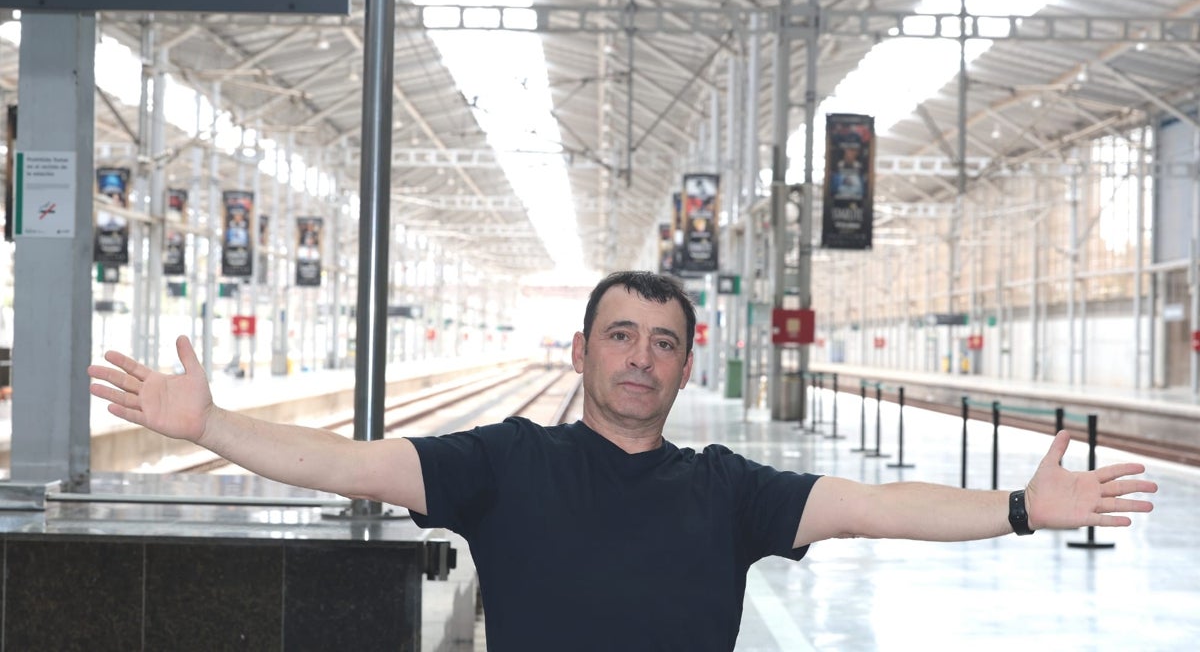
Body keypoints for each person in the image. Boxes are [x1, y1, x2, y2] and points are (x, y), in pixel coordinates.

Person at [88, 271, 1156, 652]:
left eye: (663, 341)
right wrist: (213, 426)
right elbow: (355, 466)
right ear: (582, 351)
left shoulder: (731, 490)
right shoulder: (506, 464)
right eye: (619, 335)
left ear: (687, 366)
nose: (640, 358)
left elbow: (878, 506)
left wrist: (1020, 507)